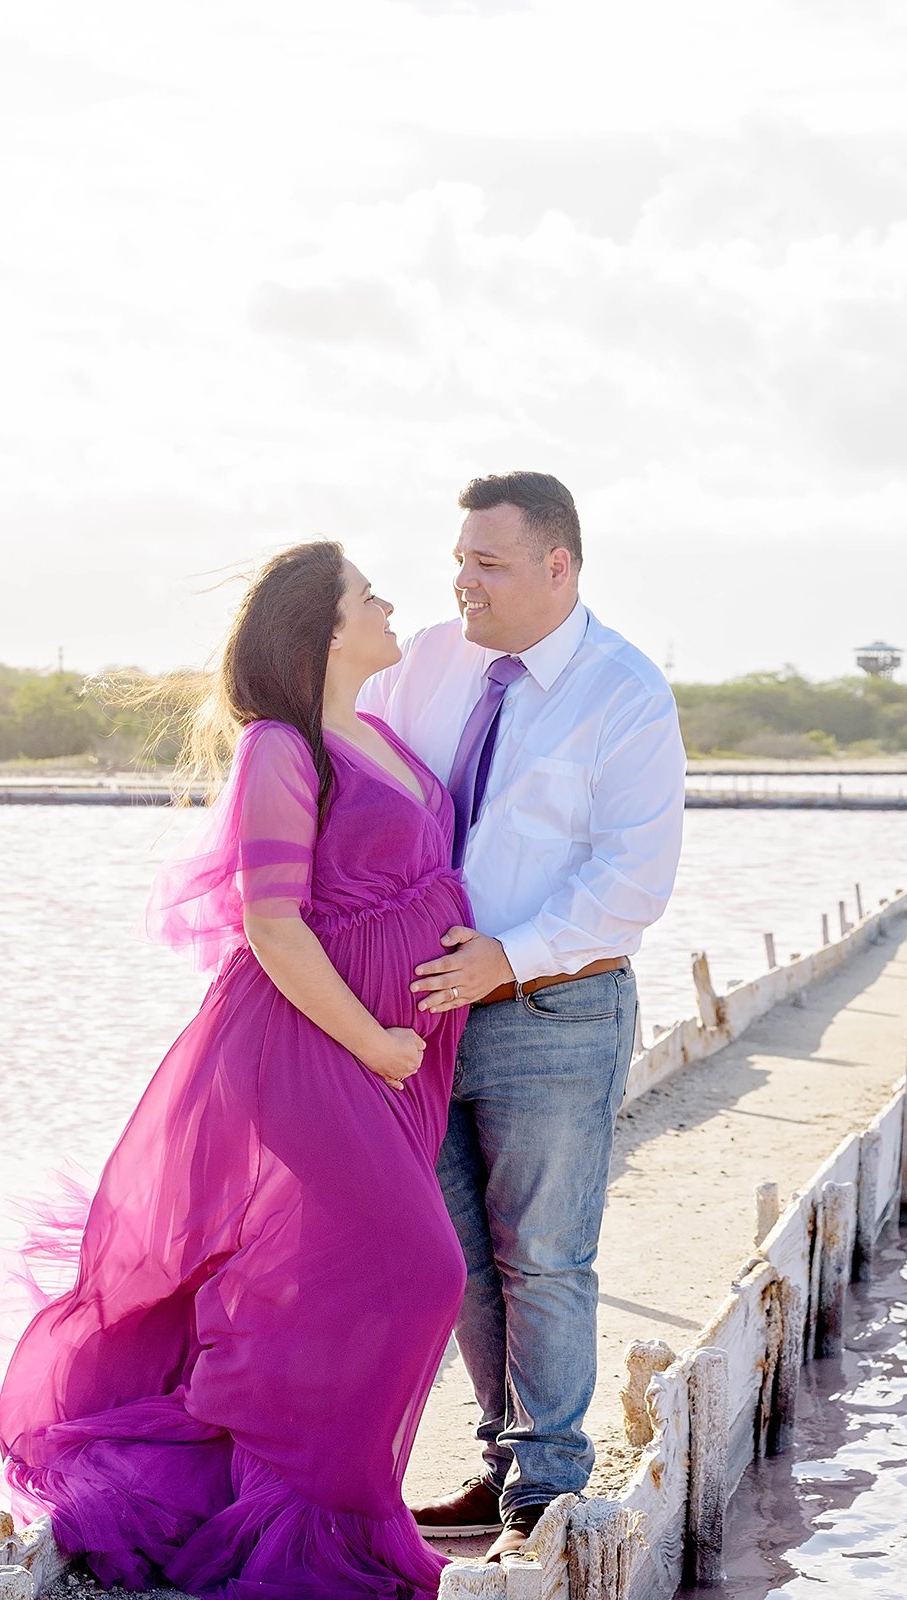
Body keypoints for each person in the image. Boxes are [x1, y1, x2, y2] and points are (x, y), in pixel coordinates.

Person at [0, 541, 475, 1599]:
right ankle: (308, 1530)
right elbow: (271, 922)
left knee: (321, 1286)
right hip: (315, 1047)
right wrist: (377, 1039)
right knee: (421, 1271)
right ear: (324, 629)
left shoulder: (380, 732)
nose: (390, 605)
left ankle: (297, 1507)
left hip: (394, 1057)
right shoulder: (280, 748)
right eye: (368, 594)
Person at [360, 471, 685, 1561]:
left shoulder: (625, 691)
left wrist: (510, 953)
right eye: (459, 559)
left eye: (488, 563)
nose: (464, 582)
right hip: (425, 1012)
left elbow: (634, 879)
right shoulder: (430, 664)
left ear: (559, 565)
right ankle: (502, 1460)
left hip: (555, 1009)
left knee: (543, 1251)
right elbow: (352, 770)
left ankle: (547, 1486)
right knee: (457, 1253)